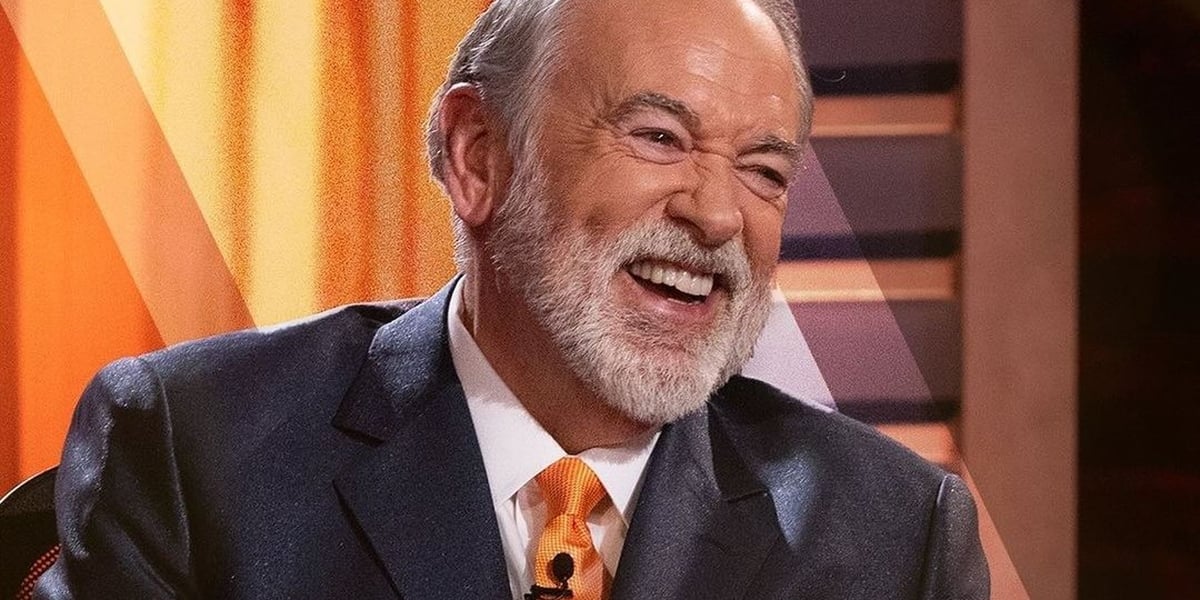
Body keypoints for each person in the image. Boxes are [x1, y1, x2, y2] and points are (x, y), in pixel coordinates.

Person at [34, 0, 989, 598]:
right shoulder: (197, 453)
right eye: (659, 137)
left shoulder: (892, 537)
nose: (715, 214)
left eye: (764, 171)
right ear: (479, 156)